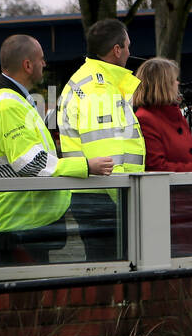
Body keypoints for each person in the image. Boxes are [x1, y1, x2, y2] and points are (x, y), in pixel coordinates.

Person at [0, 35, 112, 264]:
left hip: (21, 219)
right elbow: (32, 163)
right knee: (24, 296)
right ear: (27, 65)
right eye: (41, 59)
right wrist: (87, 166)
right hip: (19, 221)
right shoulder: (8, 104)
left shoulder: (11, 99)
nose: (45, 64)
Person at [57, 18, 146, 260]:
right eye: (127, 46)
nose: (130, 52)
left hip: (94, 195)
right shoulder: (100, 90)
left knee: (102, 270)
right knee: (112, 273)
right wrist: (130, 201)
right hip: (107, 198)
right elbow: (109, 156)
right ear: (116, 50)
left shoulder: (87, 81)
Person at [135, 57, 192, 255]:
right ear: (162, 84)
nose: (178, 83)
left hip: (190, 207)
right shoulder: (146, 119)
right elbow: (156, 167)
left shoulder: (173, 114)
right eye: (174, 79)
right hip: (173, 210)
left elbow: (182, 155)